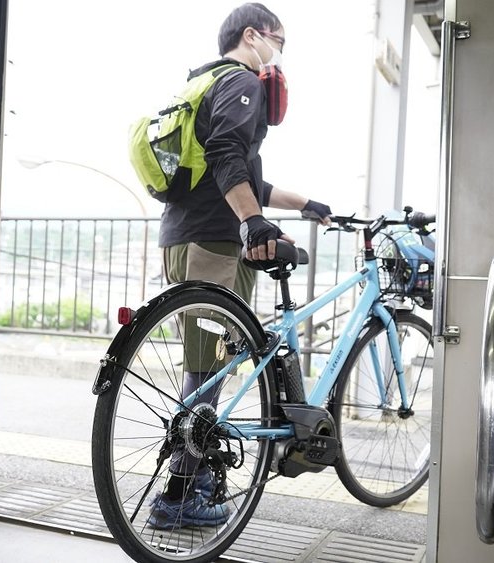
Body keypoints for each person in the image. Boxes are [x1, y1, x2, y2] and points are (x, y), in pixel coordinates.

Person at [149, 3, 332, 530]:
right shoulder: (242, 81)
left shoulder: (203, 84)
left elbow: (240, 172)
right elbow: (229, 151)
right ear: (252, 36)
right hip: (216, 242)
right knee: (207, 371)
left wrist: (306, 205)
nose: (278, 53)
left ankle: (193, 477)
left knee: (203, 362)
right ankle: (179, 495)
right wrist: (253, 223)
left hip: (183, 240)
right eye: (278, 41)